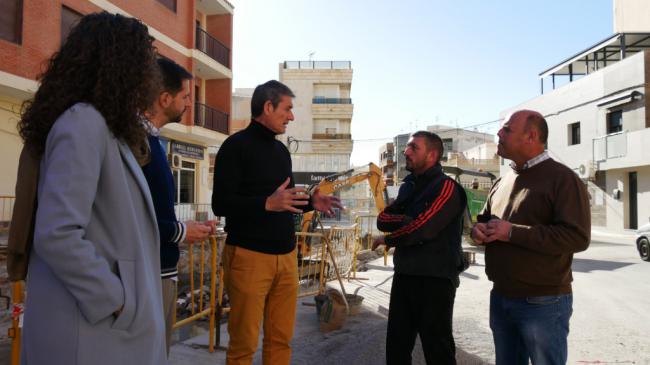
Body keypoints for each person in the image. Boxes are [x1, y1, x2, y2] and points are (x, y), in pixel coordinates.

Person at [16, 12, 166, 365]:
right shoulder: (84, 122)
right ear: (120, 65)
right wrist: (117, 300)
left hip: (102, 330)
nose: (149, 76)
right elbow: (58, 233)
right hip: (90, 332)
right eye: (143, 63)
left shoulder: (101, 125)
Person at [211, 80, 342, 365]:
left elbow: (287, 200)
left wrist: (311, 202)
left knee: (281, 340)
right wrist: (265, 203)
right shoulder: (235, 147)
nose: (292, 116)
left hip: (286, 258)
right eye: (287, 109)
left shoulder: (281, 152)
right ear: (267, 107)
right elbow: (220, 204)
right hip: (248, 258)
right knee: (243, 346)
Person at [470, 110, 590, 365]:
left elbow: (577, 237)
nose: (499, 134)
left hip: (543, 301)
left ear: (531, 135)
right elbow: (483, 221)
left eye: (506, 130)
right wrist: (477, 232)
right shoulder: (503, 180)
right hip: (501, 296)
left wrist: (511, 232)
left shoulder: (563, 179)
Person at [373, 131, 467, 365]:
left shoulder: (447, 188)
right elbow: (383, 219)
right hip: (404, 276)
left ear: (432, 155)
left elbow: (423, 228)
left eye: (414, 147)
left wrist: (390, 238)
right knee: (396, 347)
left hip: (435, 280)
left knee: (438, 349)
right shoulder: (408, 186)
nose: (406, 151)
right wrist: (408, 222)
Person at [140, 57, 213, 355]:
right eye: (185, 96)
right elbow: (133, 219)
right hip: (148, 276)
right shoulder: (138, 144)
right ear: (164, 98)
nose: (188, 104)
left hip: (160, 272)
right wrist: (182, 231)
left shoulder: (154, 143)